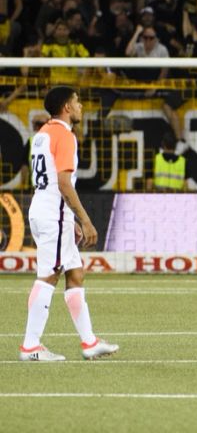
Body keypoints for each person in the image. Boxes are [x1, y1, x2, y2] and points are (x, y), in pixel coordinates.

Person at [20, 86, 118, 361]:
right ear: (66, 107)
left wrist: (69, 218)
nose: (81, 106)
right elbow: (63, 182)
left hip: (45, 208)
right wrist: (85, 220)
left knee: (75, 273)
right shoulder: (65, 135)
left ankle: (89, 342)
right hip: (53, 212)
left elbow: (48, 178)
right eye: (77, 101)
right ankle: (30, 346)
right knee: (49, 275)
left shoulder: (42, 134)